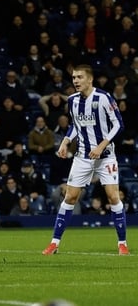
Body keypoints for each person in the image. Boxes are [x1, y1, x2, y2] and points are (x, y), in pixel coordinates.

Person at [42, 64, 129, 256]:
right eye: (74, 77)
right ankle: (54, 243)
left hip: (106, 156)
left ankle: (122, 243)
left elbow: (118, 124)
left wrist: (101, 145)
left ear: (90, 79)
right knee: (70, 197)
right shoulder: (72, 100)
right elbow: (74, 125)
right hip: (82, 157)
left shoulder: (104, 98)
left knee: (114, 197)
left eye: (79, 77)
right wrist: (65, 142)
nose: (75, 81)